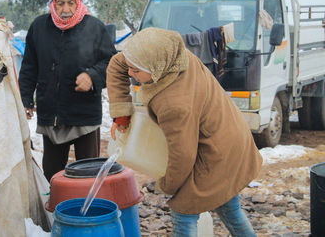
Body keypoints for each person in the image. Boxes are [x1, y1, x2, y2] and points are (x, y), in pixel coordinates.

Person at [106, 27, 262, 237]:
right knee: (230, 208)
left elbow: (183, 157)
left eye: (136, 71)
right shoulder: (172, 56)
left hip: (216, 151)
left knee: (183, 209)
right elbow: (119, 63)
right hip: (231, 132)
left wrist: (166, 184)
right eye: (131, 68)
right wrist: (122, 114)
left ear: (155, 68)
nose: (130, 74)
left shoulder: (174, 104)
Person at [19, 0, 117, 182]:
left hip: (85, 115)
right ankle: (56, 213)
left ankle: (87, 213)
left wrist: (92, 76)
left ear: (78, 2)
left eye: (71, 3)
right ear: (52, 4)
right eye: (60, 3)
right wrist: (26, 98)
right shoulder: (39, 28)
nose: (65, 9)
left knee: (88, 174)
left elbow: (112, 64)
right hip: (51, 115)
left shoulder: (95, 27)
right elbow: (29, 67)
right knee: (52, 176)